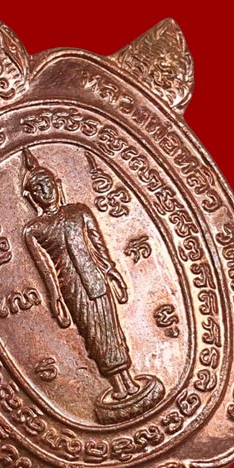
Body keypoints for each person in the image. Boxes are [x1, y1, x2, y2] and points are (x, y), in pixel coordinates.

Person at [21, 148, 139, 401]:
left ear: (57, 184)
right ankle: (118, 386)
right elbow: (45, 268)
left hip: (96, 279)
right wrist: (55, 298)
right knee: (93, 335)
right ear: (32, 197)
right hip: (72, 288)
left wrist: (112, 270)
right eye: (38, 189)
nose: (45, 191)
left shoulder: (79, 212)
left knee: (111, 328)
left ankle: (129, 381)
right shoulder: (34, 229)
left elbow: (98, 245)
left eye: (47, 184)